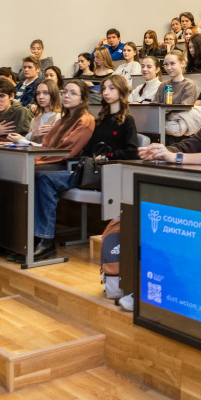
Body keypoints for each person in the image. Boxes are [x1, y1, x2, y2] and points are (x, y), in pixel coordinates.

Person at [30, 76, 137, 261]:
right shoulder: (101, 119)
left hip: (108, 174)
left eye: (111, 88)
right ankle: (42, 239)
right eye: (104, 88)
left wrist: (106, 157)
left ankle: (45, 241)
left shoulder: (127, 120)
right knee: (42, 178)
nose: (106, 92)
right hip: (89, 170)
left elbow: (132, 152)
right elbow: (88, 150)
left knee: (44, 178)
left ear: (121, 92)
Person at [8, 80, 62, 145]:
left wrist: (21, 140)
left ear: (53, 94)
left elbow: (50, 147)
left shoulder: (59, 117)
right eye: (38, 93)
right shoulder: (35, 119)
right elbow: (27, 141)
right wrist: (33, 134)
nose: (40, 97)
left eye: (46, 93)